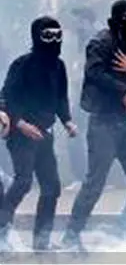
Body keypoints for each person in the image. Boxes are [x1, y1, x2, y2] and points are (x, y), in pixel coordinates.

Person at [63, 0, 126, 251]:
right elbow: (94, 73)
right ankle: (71, 236)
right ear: (114, 21)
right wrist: (123, 91)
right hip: (103, 123)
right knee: (94, 183)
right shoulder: (100, 43)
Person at [0, 17, 77, 250]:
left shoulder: (59, 66)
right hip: (21, 134)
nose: (53, 40)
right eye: (48, 35)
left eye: (57, 34)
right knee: (23, 181)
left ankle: (41, 241)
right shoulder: (22, 65)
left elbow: (61, 97)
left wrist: (67, 121)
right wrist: (20, 123)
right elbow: (7, 96)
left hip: (45, 133)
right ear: (36, 36)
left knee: (52, 187)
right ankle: (2, 227)